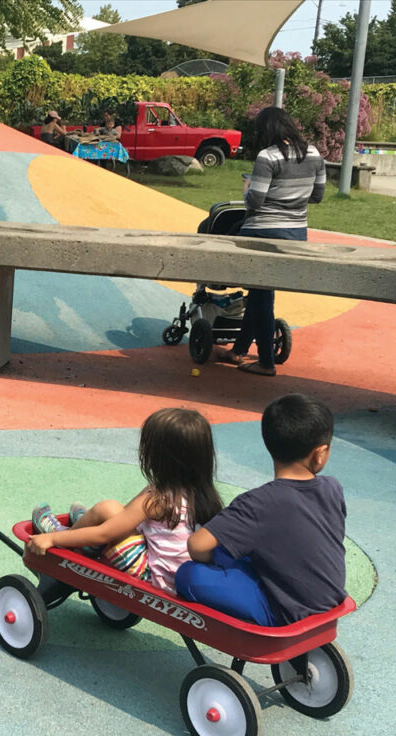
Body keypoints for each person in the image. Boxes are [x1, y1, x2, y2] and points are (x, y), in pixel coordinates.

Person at [175, 394, 347, 626]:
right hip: (329, 598)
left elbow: (196, 545)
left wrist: (215, 561)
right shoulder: (332, 488)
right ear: (319, 453)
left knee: (189, 574)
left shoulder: (259, 501)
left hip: (283, 610)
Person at [27, 408, 223, 595]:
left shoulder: (159, 497)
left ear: (160, 458)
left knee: (108, 508)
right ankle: (85, 525)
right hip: (179, 577)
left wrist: (52, 540)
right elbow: (129, 514)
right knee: (114, 514)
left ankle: (64, 535)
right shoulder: (206, 496)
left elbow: (104, 534)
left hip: (152, 575)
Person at [216, 106, 326, 376]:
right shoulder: (314, 153)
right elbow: (318, 196)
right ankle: (239, 349)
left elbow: (255, 201)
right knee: (259, 292)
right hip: (296, 235)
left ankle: (266, 362)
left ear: (266, 130)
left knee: (262, 295)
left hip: (262, 233)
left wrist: (247, 189)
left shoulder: (268, 157)